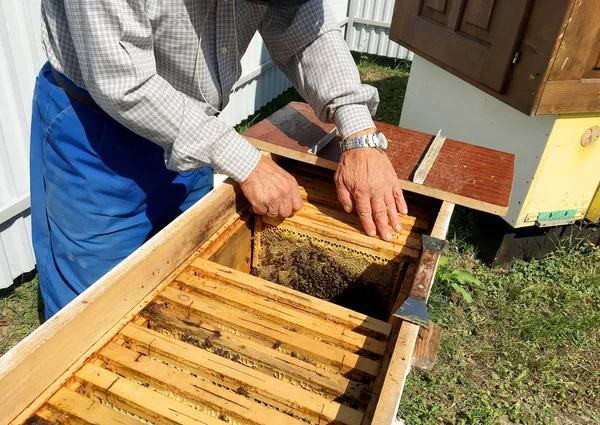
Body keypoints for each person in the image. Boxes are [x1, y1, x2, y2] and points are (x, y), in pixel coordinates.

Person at [32, 0, 408, 319]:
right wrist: (247, 162)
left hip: (196, 133)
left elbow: (305, 31)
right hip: (96, 135)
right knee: (96, 306)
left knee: (191, 274)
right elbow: (124, 84)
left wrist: (359, 133)